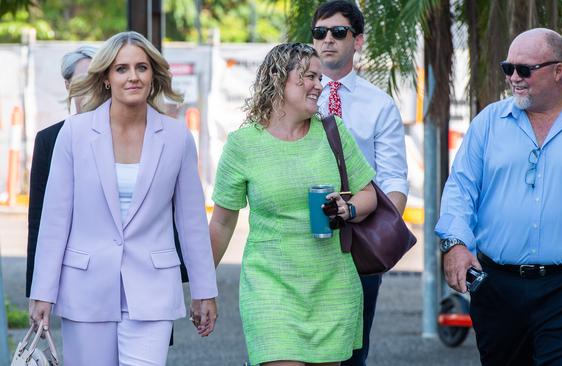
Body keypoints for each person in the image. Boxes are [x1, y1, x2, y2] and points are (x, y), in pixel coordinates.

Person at [436, 28, 562, 365]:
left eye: (524, 69)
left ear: (558, 70)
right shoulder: (488, 122)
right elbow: (460, 188)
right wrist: (456, 244)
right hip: (497, 288)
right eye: (508, 68)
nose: (513, 78)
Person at [29, 31, 218, 366]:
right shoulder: (74, 134)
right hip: (85, 291)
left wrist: (205, 291)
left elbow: (191, 222)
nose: (133, 76)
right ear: (105, 78)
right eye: (122, 69)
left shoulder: (176, 138)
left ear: (154, 75)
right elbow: (55, 219)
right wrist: (42, 291)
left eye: (142, 68)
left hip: (153, 292)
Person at [209, 42, 377, 366]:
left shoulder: (333, 132)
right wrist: (202, 286)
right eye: (310, 77)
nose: (319, 84)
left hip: (332, 284)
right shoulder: (243, 145)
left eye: (319, 78)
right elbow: (221, 222)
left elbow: (367, 193)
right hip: (271, 287)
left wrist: (348, 209)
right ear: (279, 80)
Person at [311, 2, 409, 365]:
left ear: (359, 41)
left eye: (339, 32)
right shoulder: (293, 99)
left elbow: (394, 178)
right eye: (320, 33)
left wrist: (382, 234)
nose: (328, 40)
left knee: (352, 352)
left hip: (358, 240)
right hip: (301, 237)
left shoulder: (379, 105)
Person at [26, 45, 96, 299]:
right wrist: (37, 291)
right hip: (76, 275)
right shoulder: (49, 140)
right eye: (83, 80)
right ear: (67, 85)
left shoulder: (130, 137)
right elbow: (39, 219)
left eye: (98, 78)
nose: (92, 87)